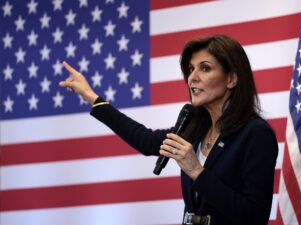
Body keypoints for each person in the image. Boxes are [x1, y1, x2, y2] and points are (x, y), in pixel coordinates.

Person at [59, 35, 278, 225]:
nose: (192, 77)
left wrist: (196, 171)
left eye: (205, 68)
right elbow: (144, 140)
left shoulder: (255, 133)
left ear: (231, 78)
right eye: (191, 69)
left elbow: (254, 217)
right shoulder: (195, 128)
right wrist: (91, 97)